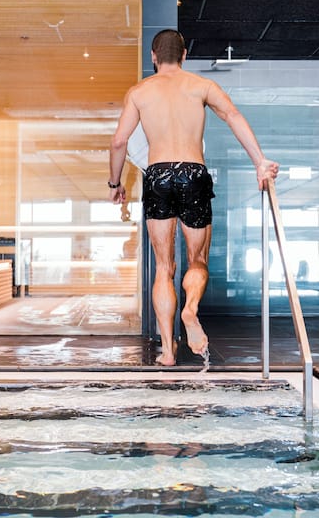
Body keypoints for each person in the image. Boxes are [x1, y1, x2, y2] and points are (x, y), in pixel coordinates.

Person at [109, 29, 279, 366]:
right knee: (196, 260)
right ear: (184, 55)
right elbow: (233, 116)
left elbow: (119, 142)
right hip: (193, 173)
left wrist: (115, 184)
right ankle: (190, 310)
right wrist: (260, 162)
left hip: (158, 175)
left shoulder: (140, 92)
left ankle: (169, 352)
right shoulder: (202, 86)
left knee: (163, 267)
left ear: (153, 57)